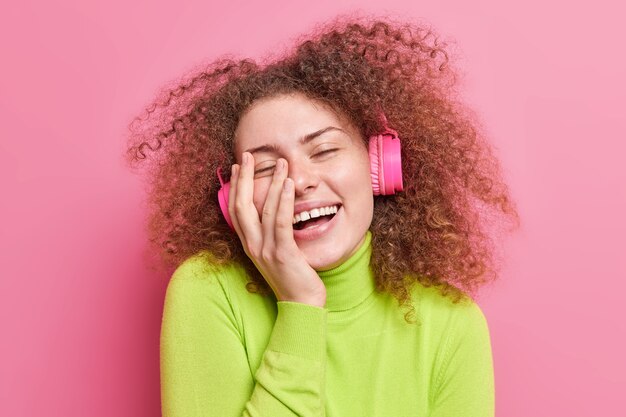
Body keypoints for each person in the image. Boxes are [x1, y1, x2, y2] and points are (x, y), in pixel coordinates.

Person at [125, 13, 520, 417]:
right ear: (234, 199)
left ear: (380, 166)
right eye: (265, 168)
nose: (299, 181)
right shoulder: (208, 289)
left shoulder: (453, 324)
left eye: (325, 150)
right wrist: (300, 306)